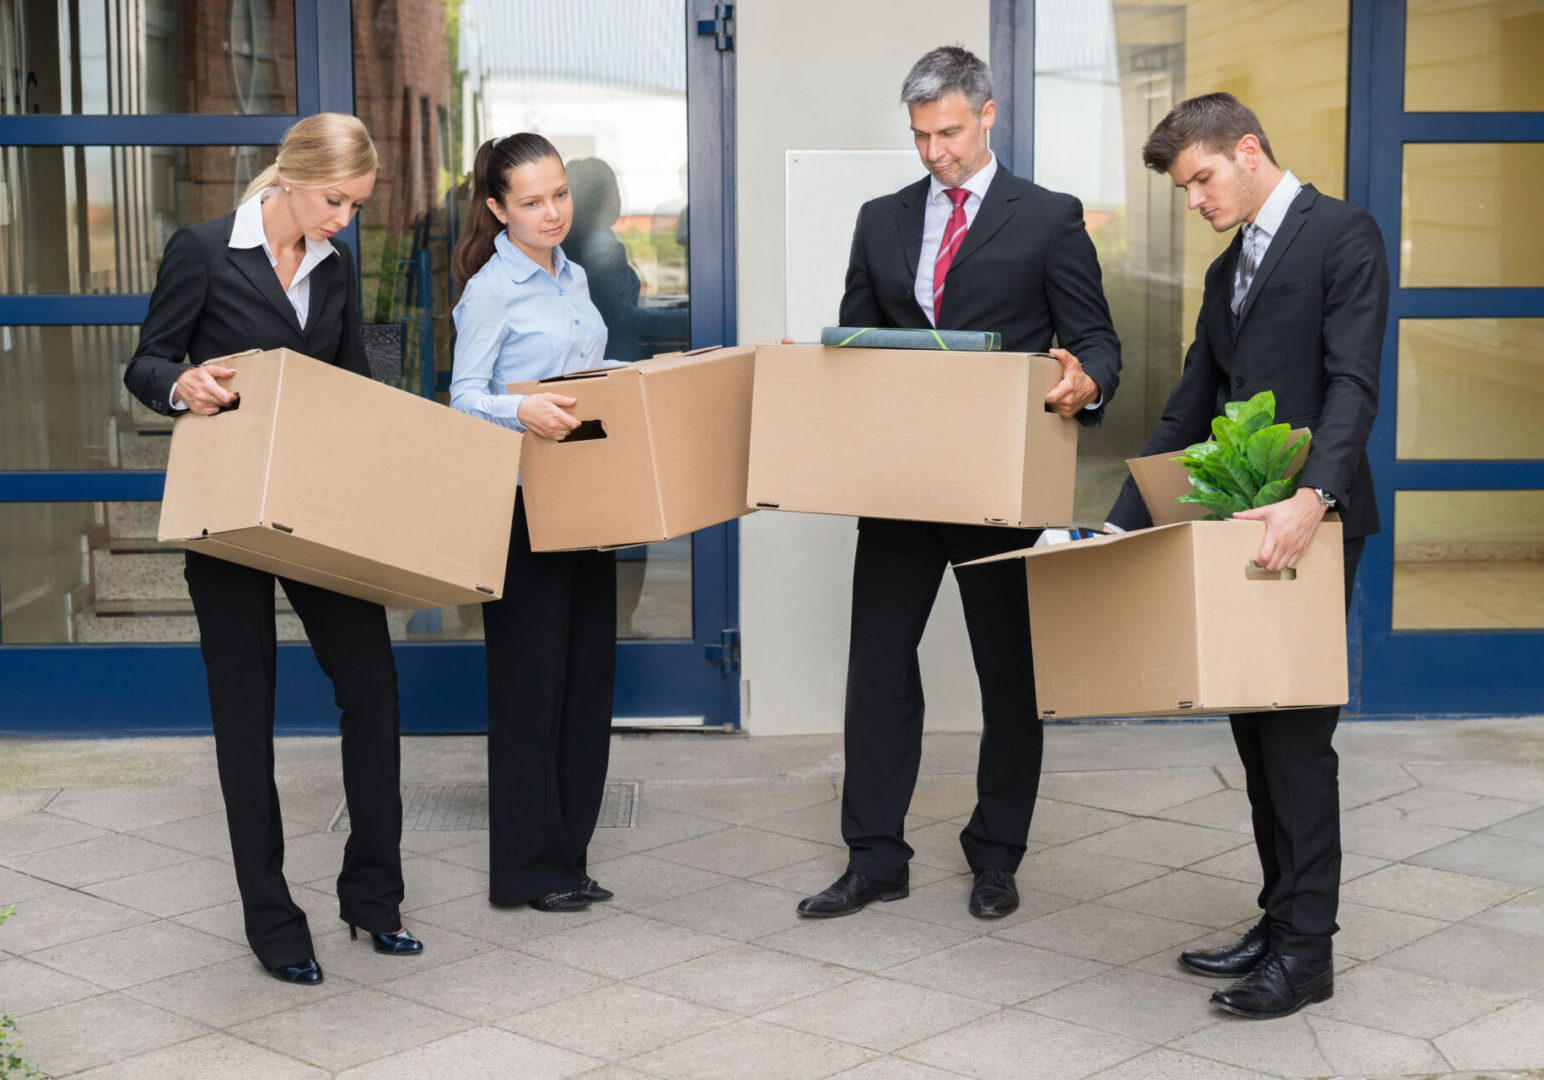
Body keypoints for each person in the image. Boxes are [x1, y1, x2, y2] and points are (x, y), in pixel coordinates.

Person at [798, 46, 1121, 921]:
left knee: (1009, 676)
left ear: (986, 115)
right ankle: (874, 858)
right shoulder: (881, 219)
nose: (934, 151)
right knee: (877, 672)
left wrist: (1085, 381)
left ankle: (996, 854)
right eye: (919, 135)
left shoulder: (1050, 218)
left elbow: (1098, 346)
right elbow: (856, 350)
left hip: (1004, 487)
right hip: (901, 486)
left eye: (947, 132)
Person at [1105, 92, 1387, 1019]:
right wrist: (1114, 525)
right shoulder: (1228, 269)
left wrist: (1318, 496)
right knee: (1255, 737)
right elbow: (1192, 406)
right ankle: (1278, 919)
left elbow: (1352, 383)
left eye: (1202, 179)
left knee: (1298, 741)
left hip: (1310, 525)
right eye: (1185, 188)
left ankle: (1309, 955)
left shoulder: (1345, 235)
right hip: (1238, 532)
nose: (1194, 201)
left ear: (1250, 151)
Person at [122, 113, 421, 985]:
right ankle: (272, 920)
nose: (345, 218)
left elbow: (354, 372)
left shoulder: (338, 265)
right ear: (290, 177)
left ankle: (374, 900)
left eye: (358, 205)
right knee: (245, 719)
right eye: (336, 199)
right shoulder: (203, 249)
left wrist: (397, 413)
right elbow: (145, 361)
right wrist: (180, 384)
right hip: (229, 515)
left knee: (374, 693)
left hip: (318, 511)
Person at [449, 133, 618, 913]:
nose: (552, 212)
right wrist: (520, 408)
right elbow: (463, 397)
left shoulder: (575, 275)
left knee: (585, 686)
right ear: (496, 208)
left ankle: (568, 856)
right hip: (519, 505)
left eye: (560, 194)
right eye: (531, 201)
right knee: (528, 692)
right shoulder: (491, 288)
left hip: (583, 498)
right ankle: (524, 871)